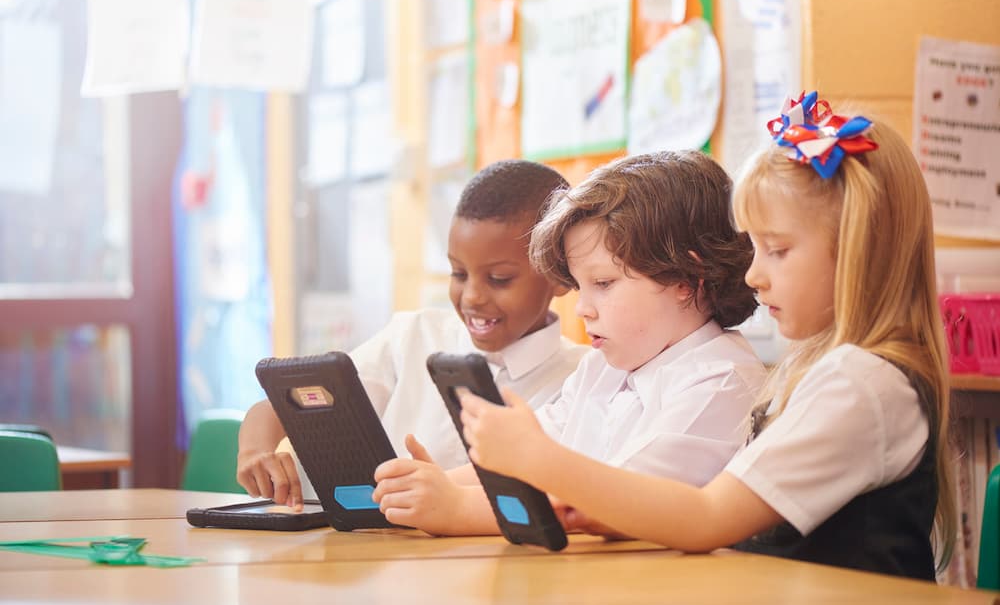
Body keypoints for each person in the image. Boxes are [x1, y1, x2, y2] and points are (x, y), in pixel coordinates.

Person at [458, 93, 955, 580]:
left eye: (777, 250)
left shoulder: (861, 383)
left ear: (856, 251)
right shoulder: (828, 372)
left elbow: (707, 517)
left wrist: (540, 460)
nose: (754, 275)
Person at [372, 149, 766, 535]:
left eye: (604, 284)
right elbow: (518, 463)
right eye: (580, 286)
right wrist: (431, 483)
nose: (582, 310)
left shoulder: (720, 381)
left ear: (685, 281)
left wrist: (456, 508)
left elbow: (609, 504)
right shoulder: (603, 366)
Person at [236, 160, 587, 507]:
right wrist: (257, 451)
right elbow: (280, 407)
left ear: (559, 275)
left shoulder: (583, 378)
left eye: (499, 279)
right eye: (458, 273)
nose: (472, 297)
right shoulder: (414, 336)